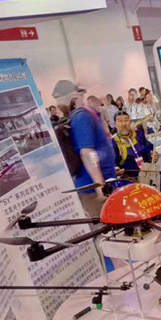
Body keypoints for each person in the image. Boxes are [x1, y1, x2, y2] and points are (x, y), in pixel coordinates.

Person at [52, 80, 116, 217]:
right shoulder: (81, 117)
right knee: (106, 224)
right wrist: (100, 186)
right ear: (74, 96)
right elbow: (88, 153)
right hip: (93, 189)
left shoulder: (80, 116)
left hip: (96, 184)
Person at [112, 111, 161, 191]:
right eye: (120, 121)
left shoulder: (138, 134)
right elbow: (112, 162)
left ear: (130, 122)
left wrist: (152, 156)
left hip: (147, 172)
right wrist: (116, 169)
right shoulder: (113, 142)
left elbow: (148, 149)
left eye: (126, 120)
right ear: (115, 124)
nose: (123, 124)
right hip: (130, 178)